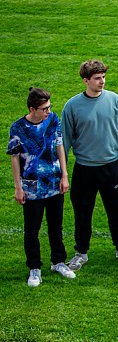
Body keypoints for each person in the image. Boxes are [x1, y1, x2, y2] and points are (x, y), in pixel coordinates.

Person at [61, 59, 118, 270]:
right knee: (82, 211)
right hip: (84, 169)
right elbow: (64, 141)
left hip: (111, 167)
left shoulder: (115, 101)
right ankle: (81, 253)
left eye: (103, 77)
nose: (102, 81)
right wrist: (63, 172)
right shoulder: (72, 106)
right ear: (86, 80)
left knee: (116, 210)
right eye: (97, 78)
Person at [8, 88, 75, 286]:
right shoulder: (18, 128)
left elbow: (59, 146)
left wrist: (64, 175)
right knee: (32, 229)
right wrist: (18, 187)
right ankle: (34, 267)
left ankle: (58, 261)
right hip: (32, 186)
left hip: (54, 182)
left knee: (56, 225)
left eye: (49, 107)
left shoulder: (53, 119)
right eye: (44, 108)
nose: (48, 111)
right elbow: (15, 158)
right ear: (32, 108)